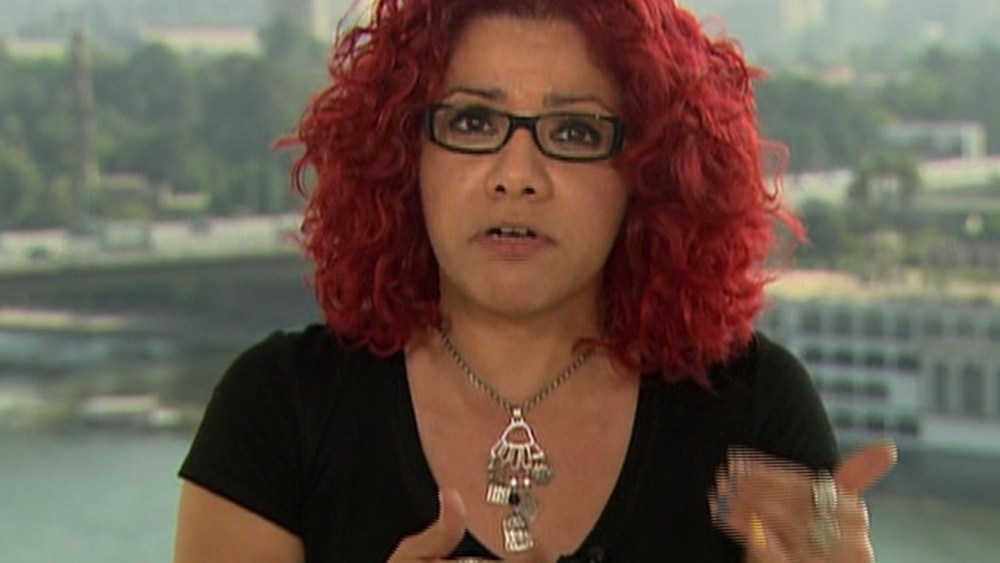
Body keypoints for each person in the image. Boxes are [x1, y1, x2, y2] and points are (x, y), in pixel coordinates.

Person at [172, 0, 897, 561]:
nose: (517, 175)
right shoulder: (276, 412)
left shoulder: (753, 412)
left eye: (575, 132)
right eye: (472, 121)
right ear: (401, 153)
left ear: (649, 173)